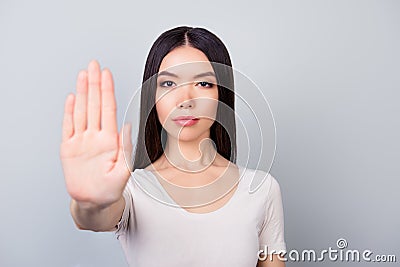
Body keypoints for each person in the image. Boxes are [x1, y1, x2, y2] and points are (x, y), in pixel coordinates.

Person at [60, 26, 287, 267]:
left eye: (203, 83)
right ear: (152, 96)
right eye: (168, 83)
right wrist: (89, 202)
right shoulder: (133, 190)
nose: (185, 100)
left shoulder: (262, 190)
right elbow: (94, 218)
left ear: (222, 94)